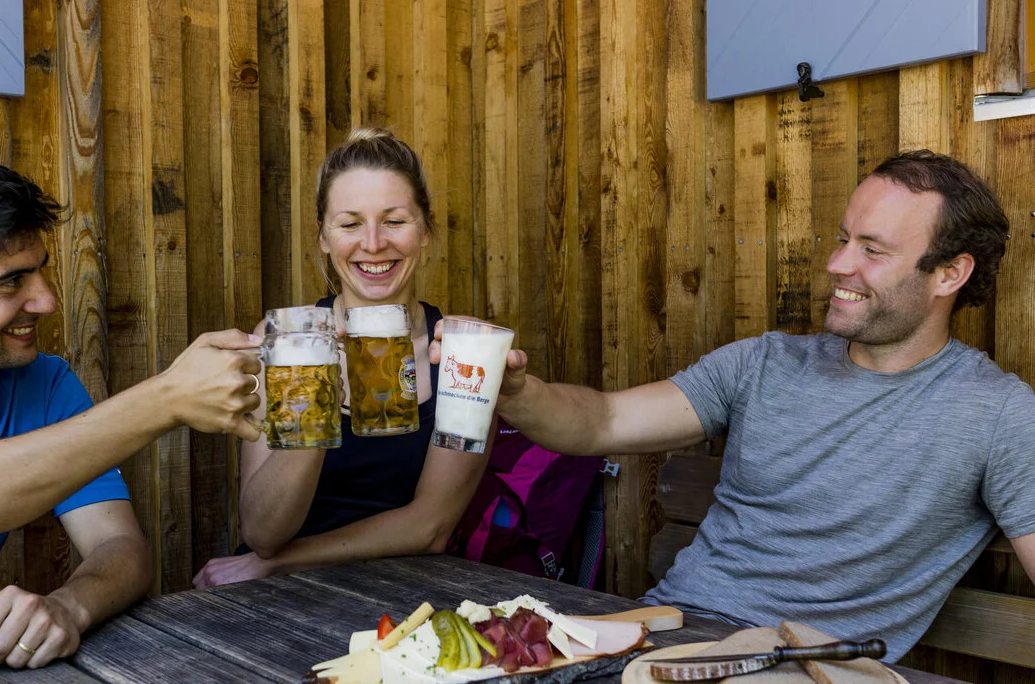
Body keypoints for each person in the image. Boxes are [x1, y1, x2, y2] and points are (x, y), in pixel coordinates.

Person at [432, 150, 1035, 660]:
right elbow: (602, 422)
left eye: (871, 250)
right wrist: (515, 391)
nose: (837, 264)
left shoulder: (997, 414)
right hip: (661, 639)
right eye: (843, 238)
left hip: (803, 665)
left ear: (950, 273)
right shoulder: (764, 363)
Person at [0, 150, 263, 683]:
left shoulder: (45, 380)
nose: (46, 300)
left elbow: (120, 548)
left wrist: (70, 606)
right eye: (11, 282)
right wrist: (165, 399)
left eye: (42, 272)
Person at [193, 128, 489, 588]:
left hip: (405, 588)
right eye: (350, 224)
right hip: (276, 594)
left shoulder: (459, 353)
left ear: (426, 231)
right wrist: (317, 393)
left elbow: (431, 527)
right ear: (325, 238)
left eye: (394, 221)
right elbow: (263, 532)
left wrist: (278, 563)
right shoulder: (284, 342)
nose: (372, 243)